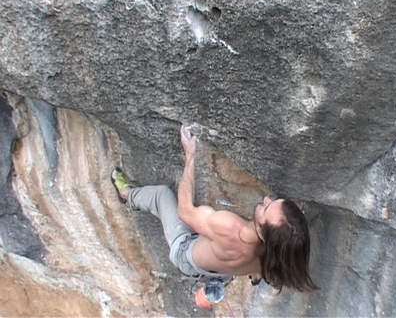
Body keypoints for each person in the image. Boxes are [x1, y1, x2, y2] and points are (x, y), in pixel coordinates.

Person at [111, 125, 317, 292]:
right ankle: (253, 276)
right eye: (273, 201)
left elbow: (184, 211)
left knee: (162, 195)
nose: (265, 199)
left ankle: (127, 194)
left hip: (186, 254)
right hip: (224, 270)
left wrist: (190, 156)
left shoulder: (229, 227)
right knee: (252, 268)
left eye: (266, 208)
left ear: (264, 234)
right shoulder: (280, 254)